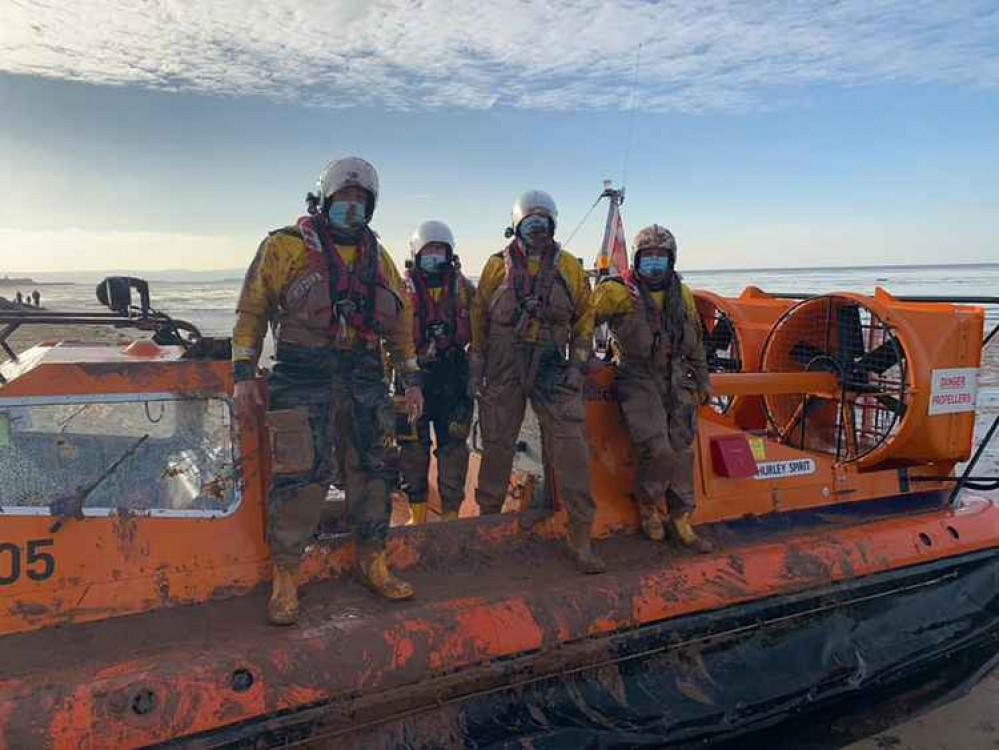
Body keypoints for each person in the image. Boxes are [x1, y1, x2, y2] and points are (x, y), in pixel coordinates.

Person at [232, 156, 424, 625]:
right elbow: (253, 310)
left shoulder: (378, 259)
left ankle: (372, 560)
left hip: (363, 375)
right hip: (302, 375)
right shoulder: (284, 247)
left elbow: (400, 324)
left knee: (374, 469)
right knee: (300, 477)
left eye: (361, 201)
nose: (352, 208)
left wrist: (412, 377)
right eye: (344, 199)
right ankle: (286, 576)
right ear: (324, 200)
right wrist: (242, 371)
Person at [469, 190, 605, 574]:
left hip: (551, 367)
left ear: (553, 224)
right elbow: (479, 317)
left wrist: (577, 367)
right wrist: (476, 368)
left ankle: (580, 537)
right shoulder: (497, 268)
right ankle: (487, 529)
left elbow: (585, 322)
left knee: (571, 451)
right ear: (517, 226)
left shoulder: (571, 270)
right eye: (530, 221)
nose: (537, 228)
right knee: (496, 447)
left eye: (543, 221)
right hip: (503, 366)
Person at [587, 225, 712, 551]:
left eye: (661, 257)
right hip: (637, 376)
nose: (654, 264)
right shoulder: (615, 290)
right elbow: (581, 322)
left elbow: (695, 341)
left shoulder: (681, 293)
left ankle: (681, 517)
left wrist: (702, 380)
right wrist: (585, 362)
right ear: (637, 259)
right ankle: (649, 506)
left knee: (682, 449)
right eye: (648, 257)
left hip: (676, 376)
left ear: (671, 260)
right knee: (657, 447)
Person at [398, 221, 475, 523]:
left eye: (440, 250)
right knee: (411, 449)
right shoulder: (402, 292)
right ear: (417, 254)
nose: (435, 255)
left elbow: (481, 329)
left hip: (453, 378)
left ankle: (451, 516)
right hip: (411, 377)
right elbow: (389, 337)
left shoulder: (465, 290)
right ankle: (417, 515)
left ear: (450, 253)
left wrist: (477, 373)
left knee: (454, 449)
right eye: (429, 250)